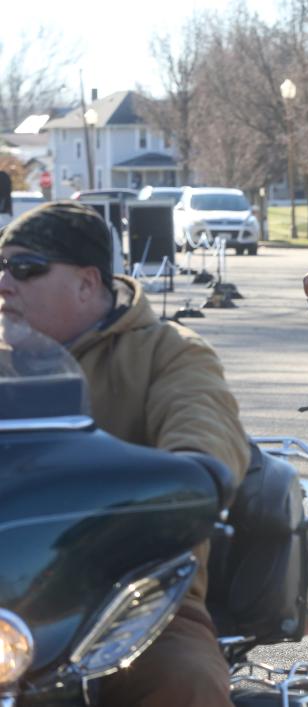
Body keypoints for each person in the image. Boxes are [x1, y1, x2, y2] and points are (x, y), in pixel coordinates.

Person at [0, 201, 249, 707]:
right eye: (0, 269)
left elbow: (205, 429)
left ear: (88, 283)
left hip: (129, 599)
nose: (5, 283)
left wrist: (198, 475)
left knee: (187, 681)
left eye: (24, 269)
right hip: (10, 594)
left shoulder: (170, 353)